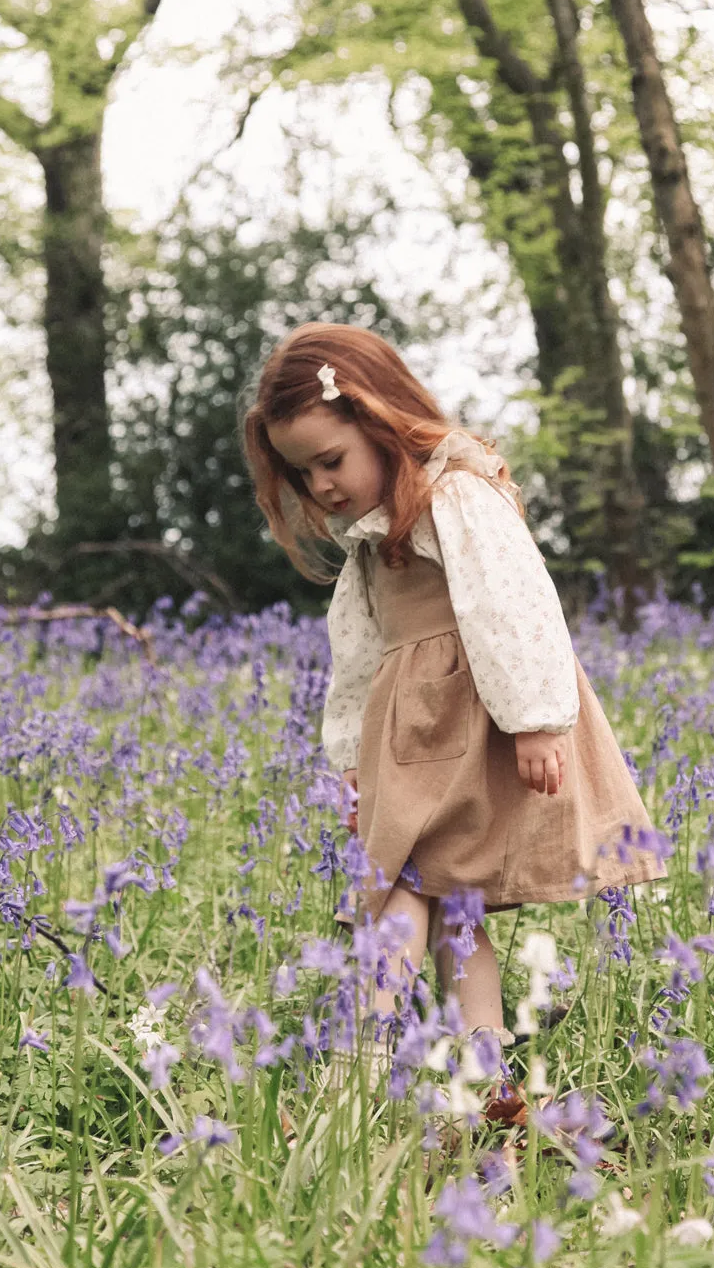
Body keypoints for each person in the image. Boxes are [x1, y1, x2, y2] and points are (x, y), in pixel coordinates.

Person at [242, 322, 665, 1072]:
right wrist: (349, 755)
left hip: (472, 721)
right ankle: (482, 1053)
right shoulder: (373, 538)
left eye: (329, 461)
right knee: (441, 899)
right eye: (303, 474)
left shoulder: (457, 496)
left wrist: (535, 721)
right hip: (407, 730)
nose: (321, 487)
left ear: (377, 419)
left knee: (401, 885)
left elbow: (513, 603)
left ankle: (369, 1055)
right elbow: (358, 649)